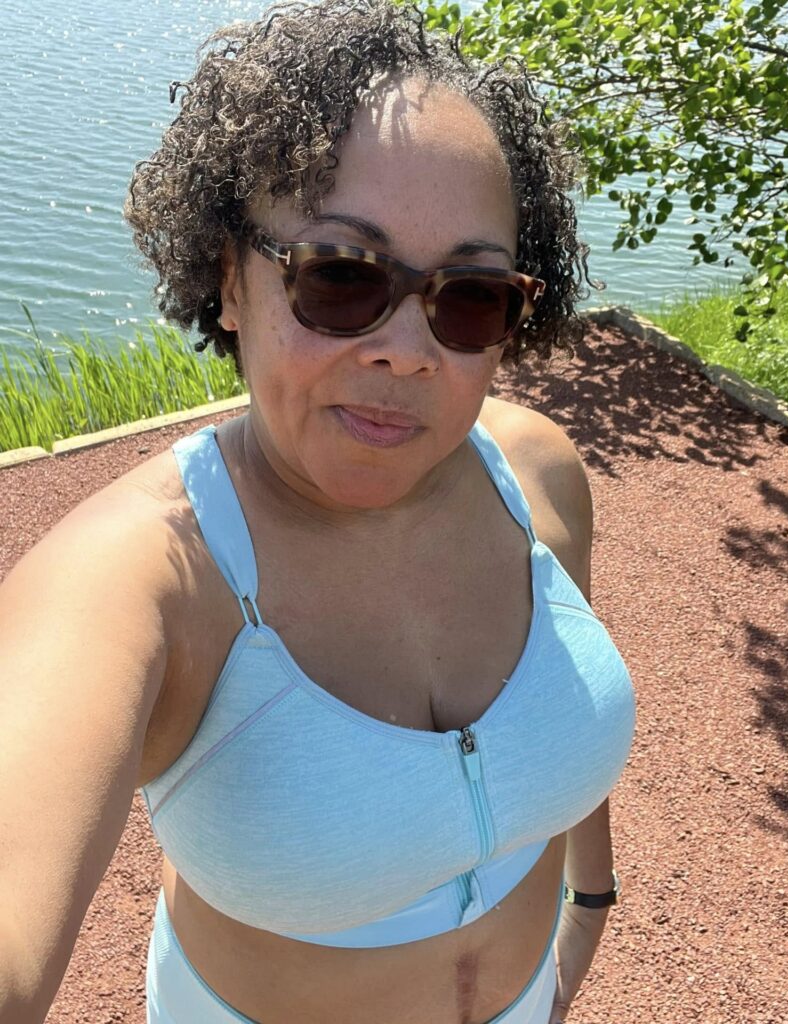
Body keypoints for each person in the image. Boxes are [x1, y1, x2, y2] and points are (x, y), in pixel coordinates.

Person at [0, 1, 636, 1021]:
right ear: (228, 283)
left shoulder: (535, 470)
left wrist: (590, 897)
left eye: (469, 295)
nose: (406, 349)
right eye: (342, 277)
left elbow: (563, 716)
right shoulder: (144, 576)